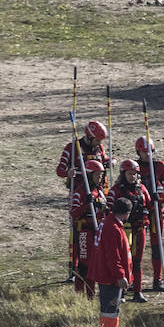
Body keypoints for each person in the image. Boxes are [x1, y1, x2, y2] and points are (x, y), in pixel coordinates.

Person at [57, 120, 109, 281]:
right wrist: (68, 173)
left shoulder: (99, 148)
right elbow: (60, 170)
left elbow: (104, 161)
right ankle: (74, 268)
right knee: (76, 231)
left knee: (97, 228)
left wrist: (109, 162)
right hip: (78, 193)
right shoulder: (72, 148)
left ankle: (95, 264)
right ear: (89, 136)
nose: (99, 144)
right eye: (97, 140)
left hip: (96, 192)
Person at [107, 159, 152, 302]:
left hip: (139, 229)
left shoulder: (142, 189)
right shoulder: (115, 190)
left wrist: (156, 200)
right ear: (123, 173)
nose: (132, 176)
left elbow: (149, 205)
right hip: (122, 230)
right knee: (122, 260)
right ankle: (119, 292)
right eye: (129, 173)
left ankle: (137, 291)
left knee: (137, 261)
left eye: (134, 174)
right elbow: (108, 210)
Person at [89, 197, 134, 327]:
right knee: (110, 311)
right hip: (110, 278)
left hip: (107, 276)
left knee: (109, 311)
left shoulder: (107, 223)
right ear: (126, 213)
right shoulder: (113, 228)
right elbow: (113, 257)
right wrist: (120, 276)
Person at [135, 136, 164, 292]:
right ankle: (134, 280)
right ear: (138, 151)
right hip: (138, 213)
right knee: (137, 247)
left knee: (157, 247)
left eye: (150, 151)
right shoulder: (134, 167)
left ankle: (157, 279)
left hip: (157, 212)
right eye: (144, 152)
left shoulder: (160, 166)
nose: (147, 155)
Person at [70, 159, 107, 296]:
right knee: (85, 265)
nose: (100, 178)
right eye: (97, 175)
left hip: (98, 231)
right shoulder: (80, 192)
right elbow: (73, 213)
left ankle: (91, 295)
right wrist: (86, 204)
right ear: (89, 175)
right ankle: (80, 294)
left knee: (94, 265)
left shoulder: (100, 190)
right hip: (84, 232)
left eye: (101, 175)